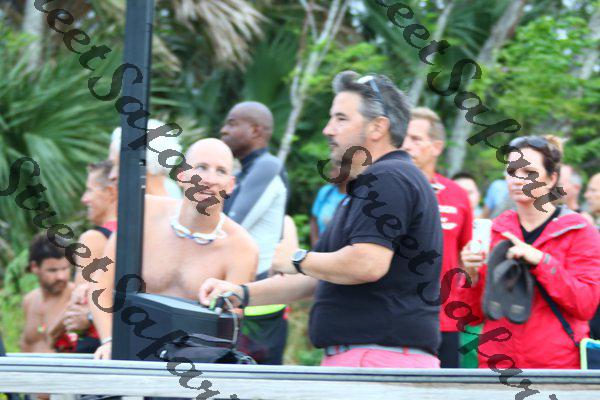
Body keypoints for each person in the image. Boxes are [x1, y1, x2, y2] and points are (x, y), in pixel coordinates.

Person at [201, 71, 443, 368]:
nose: (328, 129)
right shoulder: (376, 181)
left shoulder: (386, 177)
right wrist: (240, 293)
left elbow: (367, 264)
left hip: (375, 360)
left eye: (341, 119)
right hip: (371, 357)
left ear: (378, 127)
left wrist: (297, 258)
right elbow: (317, 277)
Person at [91, 138, 259, 359]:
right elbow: (101, 285)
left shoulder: (242, 248)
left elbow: (229, 329)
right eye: (201, 167)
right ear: (181, 175)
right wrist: (110, 341)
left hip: (192, 364)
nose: (210, 179)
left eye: (221, 171)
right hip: (128, 351)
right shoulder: (143, 211)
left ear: (231, 185)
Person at [460, 135, 600, 369]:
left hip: (558, 368)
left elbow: (586, 305)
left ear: (552, 178)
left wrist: (542, 262)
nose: (517, 179)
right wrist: (469, 275)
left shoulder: (579, 231)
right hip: (497, 368)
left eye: (529, 172)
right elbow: (470, 317)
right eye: (511, 171)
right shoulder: (494, 231)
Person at [400, 107, 473, 368]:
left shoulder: (457, 195)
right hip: (395, 317)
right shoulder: (388, 189)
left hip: (444, 318)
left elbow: (467, 259)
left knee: (445, 387)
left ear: (436, 147)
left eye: (416, 139)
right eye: (403, 138)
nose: (406, 145)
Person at [219, 101, 288, 365]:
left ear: (256, 130)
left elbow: (232, 224)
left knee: (248, 383)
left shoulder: (267, 166)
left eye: (232, 123)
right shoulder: (246, 170)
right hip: (245, 298)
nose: (224, 130)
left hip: (258, 308)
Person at [21, 233, 76, 353]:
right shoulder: (29, 300)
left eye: (65, 268)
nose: (61, 276)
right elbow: (26, 345)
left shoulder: (77, 298)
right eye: (52, 270)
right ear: (35, 267)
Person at [109, 119, 182, 198]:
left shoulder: (170, 195)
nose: (112, 176)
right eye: (112, 165)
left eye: (123, 166)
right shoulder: (171, 190)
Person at [310, 165, 348, 246]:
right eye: (331, 170)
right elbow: (314, 220)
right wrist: (316, 244)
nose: (331, 174)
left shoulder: (355, 197)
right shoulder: (326, 191)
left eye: (335, 170)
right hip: (321, 246)